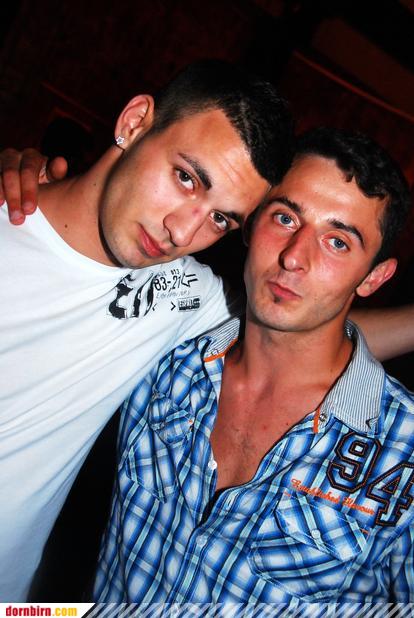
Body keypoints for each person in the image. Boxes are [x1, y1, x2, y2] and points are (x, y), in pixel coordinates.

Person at [0, 59, 295, 601]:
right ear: (134, 122)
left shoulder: (180, 290)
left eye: (221, 219)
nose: (182, 231)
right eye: (186, 178)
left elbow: (303, 336)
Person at [93, 128, 414, 604]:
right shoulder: (166, 347)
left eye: (337, 242)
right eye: (285, 218)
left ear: (374, 277)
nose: (294, 257)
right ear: (250, 222)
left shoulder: (403, 451)